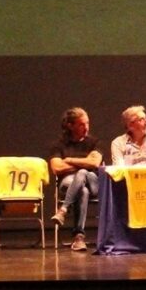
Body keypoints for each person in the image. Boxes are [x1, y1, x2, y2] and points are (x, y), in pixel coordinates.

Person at [49, 107, 104, 251]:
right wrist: (83, 163)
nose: (86, 128)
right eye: (81, 124)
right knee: (82, 190)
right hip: (68, 183)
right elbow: (57, 168)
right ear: (70, 126)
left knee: (83, 173)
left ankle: (63, 210)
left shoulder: (94, 142)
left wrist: (69, 160)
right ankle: (79, 237)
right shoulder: (59, 145)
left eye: (87, 123)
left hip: (92, 182)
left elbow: (94, 163)